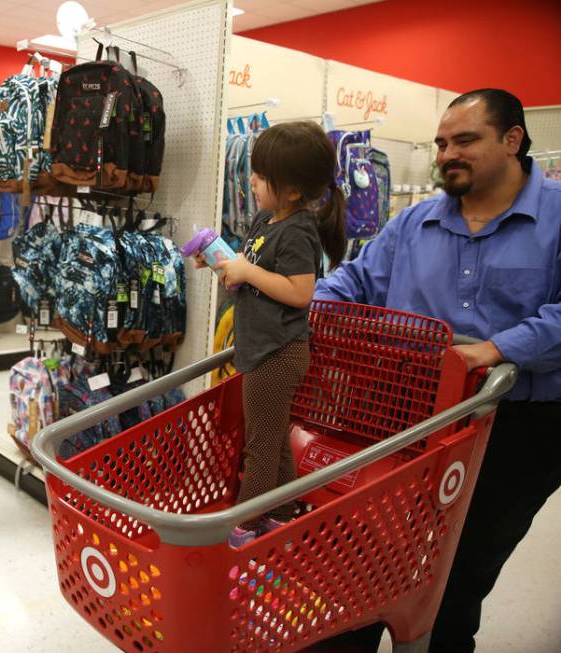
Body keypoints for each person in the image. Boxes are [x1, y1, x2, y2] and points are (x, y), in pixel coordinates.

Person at [313, 89, 561, 652]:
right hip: (412, 419)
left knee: (458, 575)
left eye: (466, 140)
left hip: (521, 429)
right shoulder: (414, 223)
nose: (448, 153)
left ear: (513, 140)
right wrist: (313, 312)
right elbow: (351, 282)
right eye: (442, 143)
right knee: (364, 558)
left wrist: (497, 348)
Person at [199, 121, 347, 546]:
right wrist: (224, 264)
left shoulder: (299, 230)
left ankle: (245, 526)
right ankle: (281, 513)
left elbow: (301, 293)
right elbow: (254, 273)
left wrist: (249, 271)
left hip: (279, 353)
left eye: (262, 176)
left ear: (294, 190)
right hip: (261, 347)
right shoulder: (266, 219)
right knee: (274, 437)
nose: (253, 180)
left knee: (260, 445)